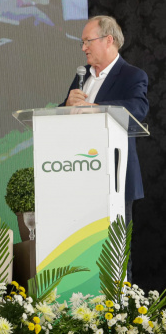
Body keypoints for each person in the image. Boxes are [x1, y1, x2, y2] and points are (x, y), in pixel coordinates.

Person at [61, 16, 148, 275]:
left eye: (88, 41)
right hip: (80, 176)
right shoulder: (82, 76)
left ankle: (119, 314)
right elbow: (59, 115)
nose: (84, 47)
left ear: (109, 40)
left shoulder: (132, 75)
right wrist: (66, 105)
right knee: (85, 254)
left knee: (116, 255)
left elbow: (138, 109)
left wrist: (95, 108)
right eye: (82, 42)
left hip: (115, 178)